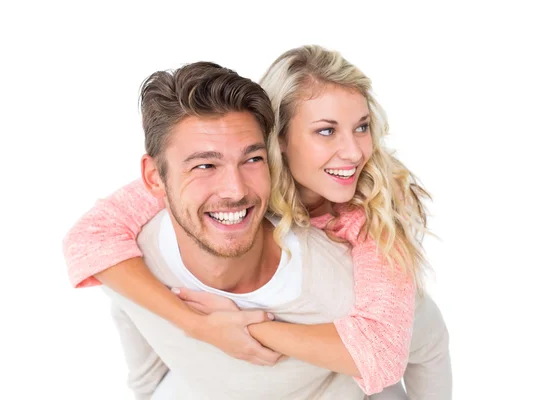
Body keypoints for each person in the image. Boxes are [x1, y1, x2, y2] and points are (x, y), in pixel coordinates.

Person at [64, 45, 451, 399]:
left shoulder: (370, 215)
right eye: (326, 131)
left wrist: (244, 328)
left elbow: (388, 352)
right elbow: (91, 238)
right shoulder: (229, 172)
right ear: (277, 138)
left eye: (362, 127)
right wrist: (196, 326)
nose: (353, 152)